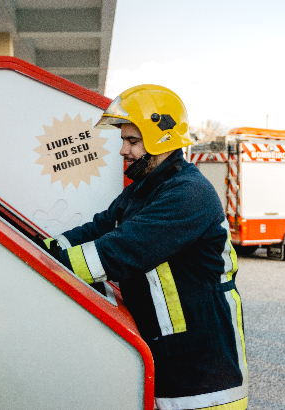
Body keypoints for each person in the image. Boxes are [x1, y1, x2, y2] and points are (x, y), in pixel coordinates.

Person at [40, 84, 248, 410]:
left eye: (132, 141)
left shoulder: (188, 193)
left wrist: (42, 267)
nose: (123, 150)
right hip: (172, 364)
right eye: (123, 140)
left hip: (206, 380)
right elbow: (99, 227)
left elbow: (120, 251)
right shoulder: (145, 189)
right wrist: (43, 246)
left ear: (161, 139)